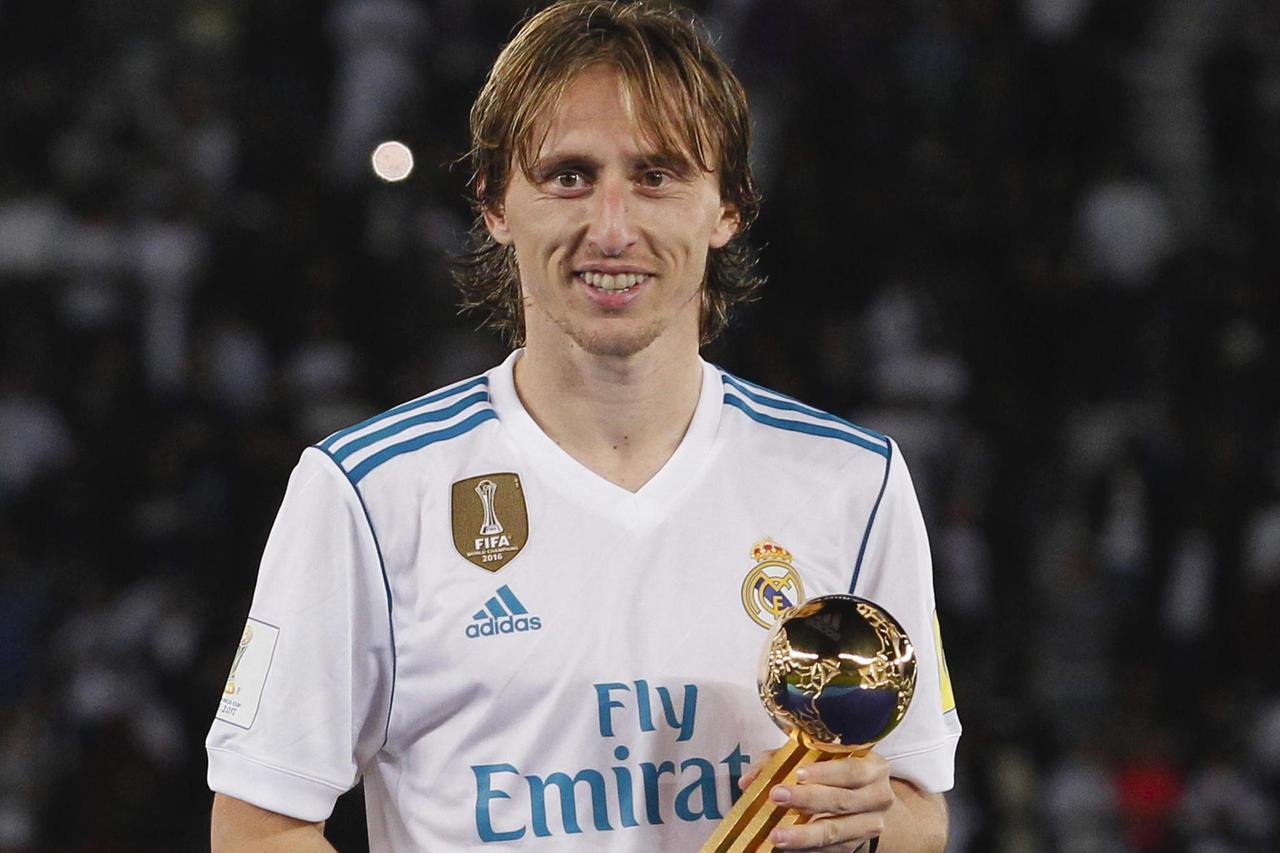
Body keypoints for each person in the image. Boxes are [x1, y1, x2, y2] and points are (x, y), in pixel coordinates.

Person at [206, 1, 960, 850]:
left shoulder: (854, 481)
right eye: (569, 176)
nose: (611, 228)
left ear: (728, 206)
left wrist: (871, 825)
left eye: (656, 176)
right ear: (495, 203)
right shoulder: (367, 493)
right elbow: (258, 826)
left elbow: (917, 806)